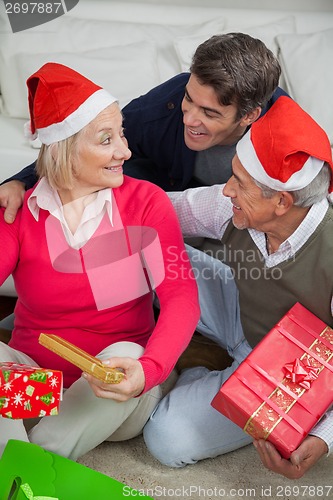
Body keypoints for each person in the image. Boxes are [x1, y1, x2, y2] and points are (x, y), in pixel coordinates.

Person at [0, 62, 200, 460]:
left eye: (121, 134)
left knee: (124, 351)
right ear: (64, 149)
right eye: (107, 139)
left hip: (116, 392)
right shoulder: (19, 210)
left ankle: (26, 464)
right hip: (36, 386)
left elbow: (181, 296)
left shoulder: (146, 203)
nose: (125, 151)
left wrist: (150, 369)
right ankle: (23, 471)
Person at [142, 96, 333, 480]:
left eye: (239, 184)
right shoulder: (229, 205)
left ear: (282, 201)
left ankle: (206, 374)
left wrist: (322, 436)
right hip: (237, 310)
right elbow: (155, 209)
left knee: (166, 439)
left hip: (290, 372)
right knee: (144, 247)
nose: (226, 190)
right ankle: (212, 368)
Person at [0, 33, 287, 225]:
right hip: (160, 207)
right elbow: (81, 145)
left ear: (249, 115)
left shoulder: (284, 132)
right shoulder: (168, 101)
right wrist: (19, 181)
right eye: (190, 99)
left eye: (210, 113)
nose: (189, 119)